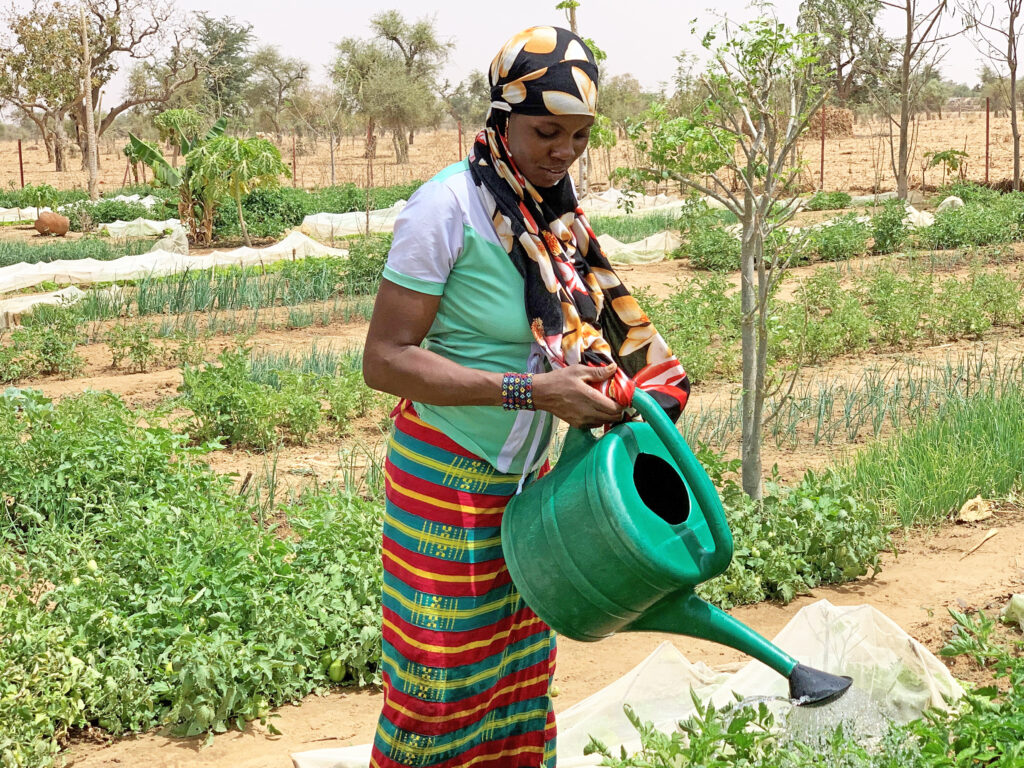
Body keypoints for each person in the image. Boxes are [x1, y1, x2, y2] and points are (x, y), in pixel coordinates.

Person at [362, 25, 690, 768]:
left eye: (578, 137)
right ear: (501, 117)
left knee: (515, 673)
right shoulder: (444, 209)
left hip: (531, 482)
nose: (563, 152)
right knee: (439, 680)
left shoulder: (555, 217)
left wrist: (601, 388)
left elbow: (575, 330)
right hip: (447, 471)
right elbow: (384, 361)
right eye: (547, 131)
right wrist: (531, 391)